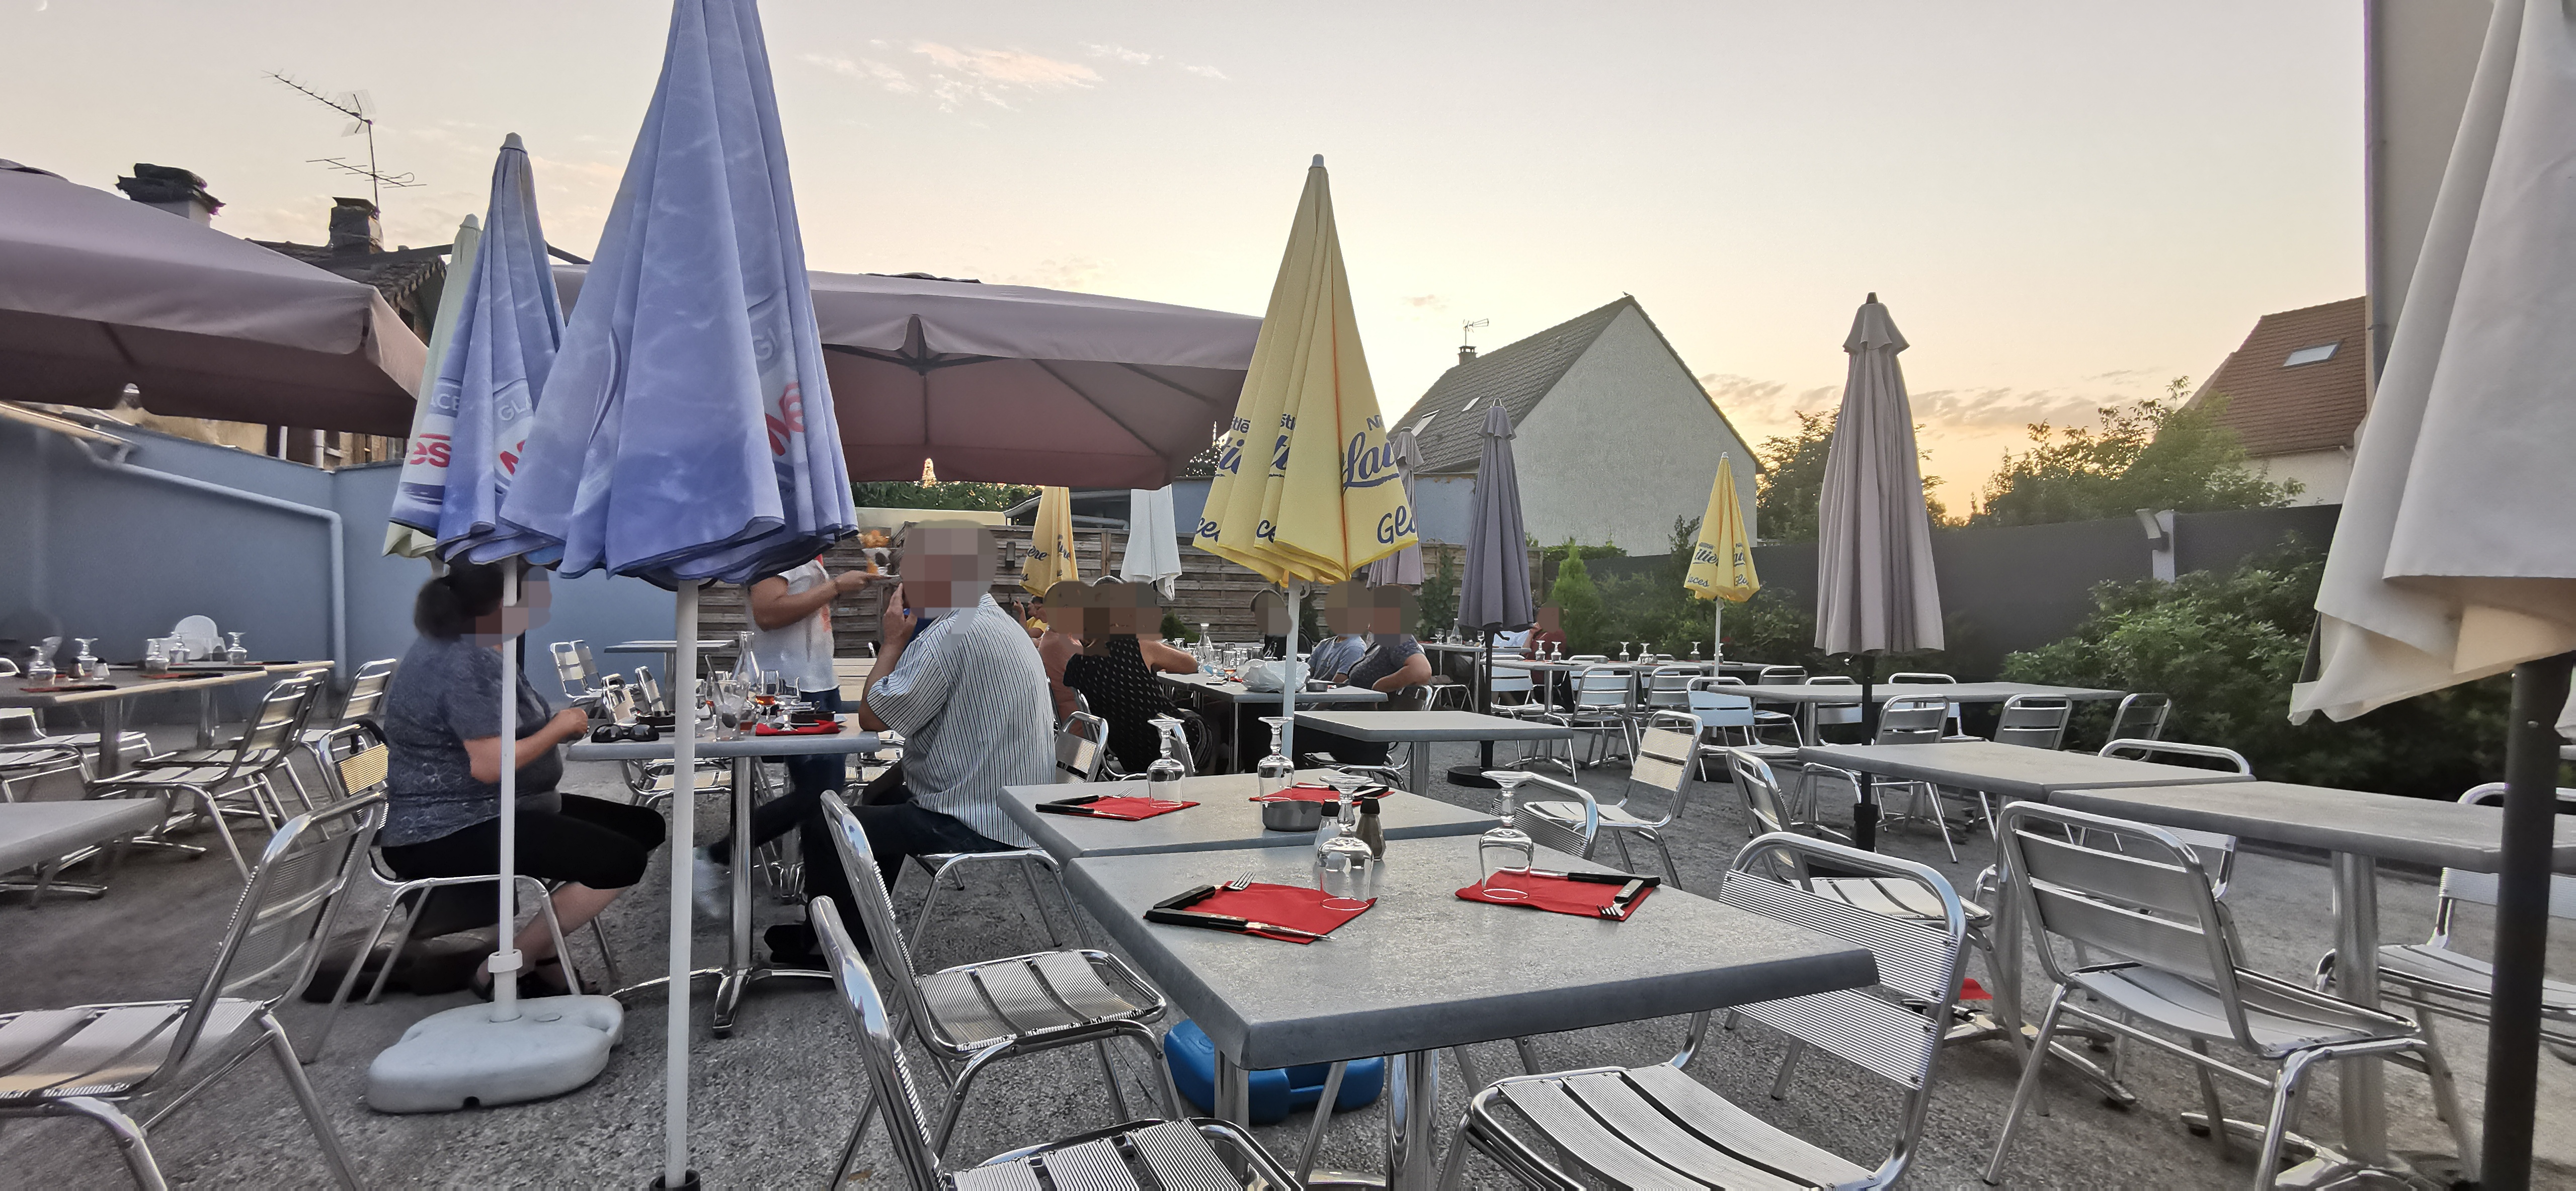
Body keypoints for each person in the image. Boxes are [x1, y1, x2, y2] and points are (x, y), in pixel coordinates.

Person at [769, 522, 1056, 964]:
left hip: (978, 820)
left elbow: (872, 717)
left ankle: (831, 953)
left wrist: (893, 642)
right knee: (880, 799)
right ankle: (853, 928)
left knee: (825, 827)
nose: (901, 587)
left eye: (909, 575)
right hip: (1014, 809)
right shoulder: (991, 619)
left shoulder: (951, 633)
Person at [377, 562, 665, 997]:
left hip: (506, 806)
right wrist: (558, 729)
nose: (541, 601)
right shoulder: (461, 660)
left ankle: (544, 951)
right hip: (448, 828)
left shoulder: (478, 647)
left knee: (643, 827)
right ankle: (510, 965)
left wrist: (562, 723)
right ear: (502, 602)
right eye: (532, 592)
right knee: (619, 860)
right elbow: (489, 765)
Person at [691, 554, 878, 914]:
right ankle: (714, 857)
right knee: (820, 792)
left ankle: (818, 893)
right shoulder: (781, 548)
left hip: (818, 682)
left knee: (824, 793)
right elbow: (768, 613)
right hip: (791, 687)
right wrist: (835, 587)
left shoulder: (808, 553)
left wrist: (835, 589)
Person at [1045, 580, 1200, 772]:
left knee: (1193, 713)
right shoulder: (1139, 645)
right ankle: (1205, 782)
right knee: (1210, 722)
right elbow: (1191, 665)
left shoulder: (1077, 663)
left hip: (1126, 754)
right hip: (1165, 745)